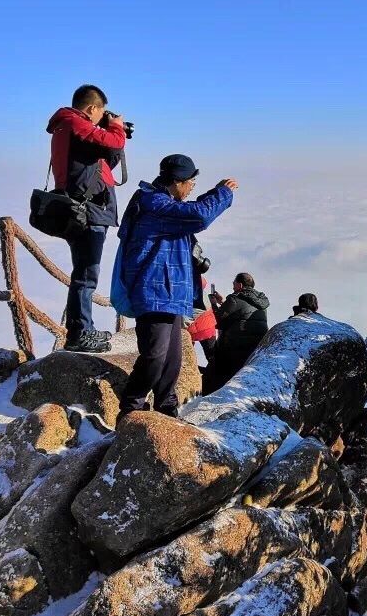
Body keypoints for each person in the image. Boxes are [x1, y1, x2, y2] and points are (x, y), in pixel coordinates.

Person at [115, 155, 237, 422]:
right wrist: (222, 193)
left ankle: (166, 404)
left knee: (172, 357)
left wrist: (211, 192)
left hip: (169, 292)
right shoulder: (153, 205)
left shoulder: (162, 202)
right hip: (154, 291)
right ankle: (131, 407)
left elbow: (188, 212)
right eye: (191, 181)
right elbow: (199, 216)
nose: (193, 186)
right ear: (177, 182)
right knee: (155, 354)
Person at [47, 84, 127, 353]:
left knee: (84, 272)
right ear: (92, 108)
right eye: (100, 112)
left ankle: (84, 328)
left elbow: (105, 161)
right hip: (86, 211)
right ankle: (80, 333)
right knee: (86, 275)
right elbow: (113, 142)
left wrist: (111, 130)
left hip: (83, 208)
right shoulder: (73, 123)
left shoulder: (67, 127)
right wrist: (115, 127)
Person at [201, 272, 270, 394]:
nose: (233, 286)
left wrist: (213, 304)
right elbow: (242, 312)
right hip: (254, 349)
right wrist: (222, 303)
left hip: (233, 349)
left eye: (234, 283)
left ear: (240, 285)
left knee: (213, 370)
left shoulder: (234, 298)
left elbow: (218, 321)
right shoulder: (261, 302)